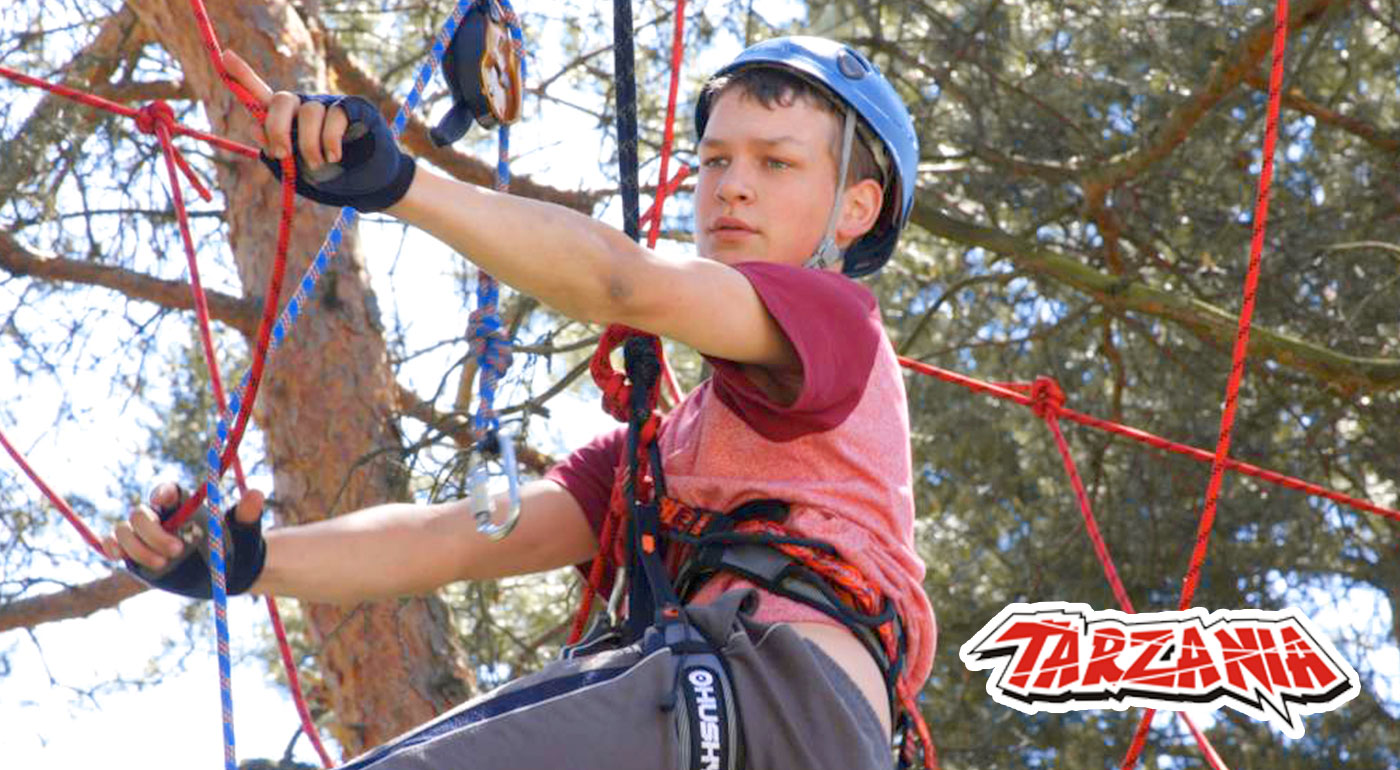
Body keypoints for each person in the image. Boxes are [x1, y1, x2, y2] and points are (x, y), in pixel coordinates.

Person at [105, 34, 935, 770]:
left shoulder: (838, 327)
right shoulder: (673, 454)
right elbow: (461, 537)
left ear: (856, 210)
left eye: (775, 162)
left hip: (775, 701)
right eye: (715, 161)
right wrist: (251, 564)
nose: (732, 188)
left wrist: (399, 182)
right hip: (725, 703)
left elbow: (622, 281)